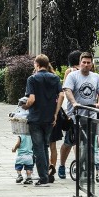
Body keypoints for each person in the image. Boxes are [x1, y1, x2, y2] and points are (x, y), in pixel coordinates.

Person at [62, 52, 99, 182]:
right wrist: (74, 102)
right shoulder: (73, 76)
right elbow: (67, 90)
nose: (86, 65)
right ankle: (67, 165)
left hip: (91, 114)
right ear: (80, 63)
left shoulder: (96, 77)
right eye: (84, 62)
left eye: (88, 62)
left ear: (92, 64)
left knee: (90, 143)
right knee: (75, 142)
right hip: (76, 115)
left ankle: (87, 168)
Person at [23, 54, 63, 187]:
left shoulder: (32, 79)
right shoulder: (55, 78)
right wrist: (56, 113)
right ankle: (46, 173)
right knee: (45, 146)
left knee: (38, 148)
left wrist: (25, 105)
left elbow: (32, 99)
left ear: (37, 64)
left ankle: (43, 177)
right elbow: (61, 95)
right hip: (50, 117)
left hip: (36, 117)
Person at [56, 50, 81, 179]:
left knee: (77, 142)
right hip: (71, 111)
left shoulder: (90, 74)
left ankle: (75, 165)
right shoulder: (70, 72)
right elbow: (65, 90)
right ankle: (63, 165)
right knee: (70, 141)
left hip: (83, 112)